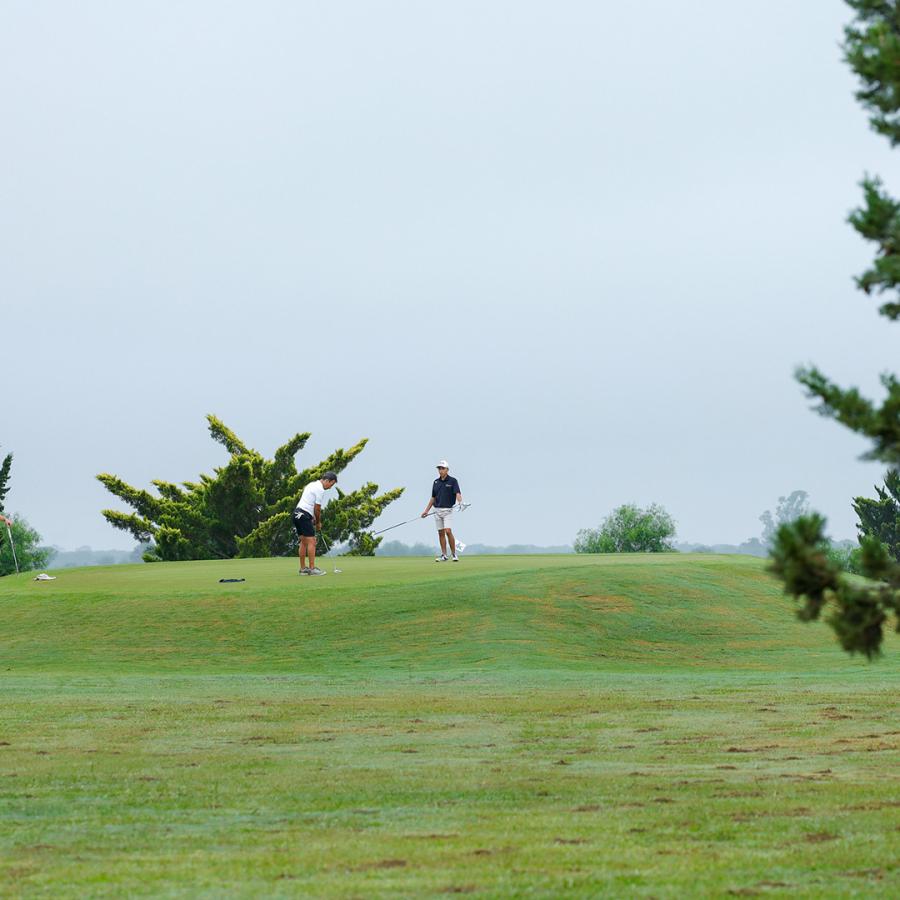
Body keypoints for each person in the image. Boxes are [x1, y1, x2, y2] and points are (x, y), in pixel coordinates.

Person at [293, 471, 338, 576]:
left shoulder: (311, 484)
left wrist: (311, 516)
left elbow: (309, 502)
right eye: (331, 484)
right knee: (312, 541)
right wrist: (318, 522)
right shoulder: (320, 489)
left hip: (296, 514)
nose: (330, 487)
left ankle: (303, 569)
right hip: (303, 515)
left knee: (303, 542)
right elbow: (317, 509)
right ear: (327, 480)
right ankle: (312, 569)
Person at [422, 460, 462, 562]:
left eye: (442, 468)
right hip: (437, 510)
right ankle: (444, 555)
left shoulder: (453, 481)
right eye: (439, 468)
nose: (440, 470)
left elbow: (457, 493)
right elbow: (433, 498)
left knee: (448, 531)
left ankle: (454, 554)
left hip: (448, 510)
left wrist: (460, 502)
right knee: (440, 533)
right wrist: (426, 511)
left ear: (447, 470)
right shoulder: (436, 482)